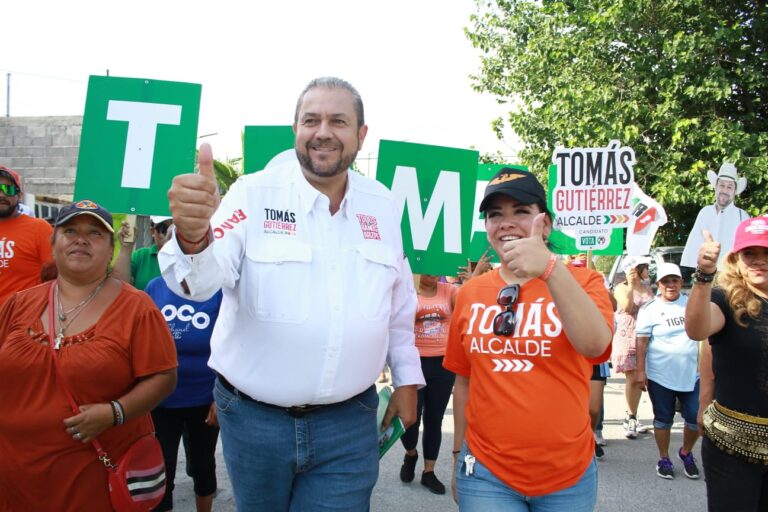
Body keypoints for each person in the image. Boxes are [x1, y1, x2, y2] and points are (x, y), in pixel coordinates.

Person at [159, 76, 424, 510]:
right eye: (311, 120)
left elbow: (396, 304)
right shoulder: (252, 193)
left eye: (338, 121)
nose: (323, 131)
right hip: (254, 420)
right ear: (296, 130)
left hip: (350, 422)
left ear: (361, 135)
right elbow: (200, 283)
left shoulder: (383, 205)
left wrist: (408, 379)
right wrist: (193, 237)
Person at [444, 167, 614, 511]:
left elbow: (596, 347)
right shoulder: (470, 294)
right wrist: (457, 455)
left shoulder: (584, 281)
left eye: (520, 211)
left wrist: (549, 270)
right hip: (486, 473)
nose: (506, 222)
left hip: (567, 475)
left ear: (545, 224)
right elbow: (464, 382)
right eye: (495, 215)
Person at [0, 199, 177, 511]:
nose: (81, 239)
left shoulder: (137, 308)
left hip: (93, 476)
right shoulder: (19, 303)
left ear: (111, 250)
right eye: (70, 231)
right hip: (15, 474)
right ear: (53, 244)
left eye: (95, 233)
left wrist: (115, 412)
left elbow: (163, 376)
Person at [685, 217, 768, 511]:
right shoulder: (726, 297)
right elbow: (697, 330)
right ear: (737, 259)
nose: (759, 261)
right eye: (750, 254)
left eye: (766, 253)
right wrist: (704, 276)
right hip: (732, 447)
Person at [144, 276, 222, 512]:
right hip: (161, 399)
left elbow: (230, 345)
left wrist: (220, 395)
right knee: (161, 467)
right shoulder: (155, 287)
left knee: (203, 465)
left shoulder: (218, 290)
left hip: (204, 398)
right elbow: (142, 337)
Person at [635, 263, 700, 480]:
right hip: (660, 375)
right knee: (663, 419)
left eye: (675, 280)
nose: (671, 285)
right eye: (666, 281)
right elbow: (642, 342)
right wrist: (640, 371)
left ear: (681, 282)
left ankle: (686, 452)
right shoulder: (650, 309)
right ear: (658, 285)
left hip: (692, 374)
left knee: (695, 420)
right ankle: (664, 458)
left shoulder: (692, 303)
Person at [400, 274, 457, 494]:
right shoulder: (407, 291)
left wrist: (471, 280)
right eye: (428, 268)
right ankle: (411, 454)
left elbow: (470, 306)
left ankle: (428, 472)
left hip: (443, 364)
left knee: (434, 418)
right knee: (410, 418)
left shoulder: (449, 291)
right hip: (413, 362)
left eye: (437, 269)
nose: (432, 274)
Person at [611, 255, 654, 438]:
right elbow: (627, 307)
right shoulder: (621, 288)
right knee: (633, 377)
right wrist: (629, 284)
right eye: (645, 267)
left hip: (647, 336)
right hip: (629, 335)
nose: (648, 271)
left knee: (642, 378)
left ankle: (635, 415)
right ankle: (630, 417)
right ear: (636, 269)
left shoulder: (647, 288)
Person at [0, 165, 54, 305]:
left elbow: (55, 278)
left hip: (22, 321)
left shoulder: (39, 229)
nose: (2, 194)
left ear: (20, 195)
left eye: (8, 189)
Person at [681, 162, 749, 269]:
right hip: (704, 275)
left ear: (735, 191)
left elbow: (747, 249)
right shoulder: (705, 212)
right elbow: (693, 245)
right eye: (722, 185)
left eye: (729, 187)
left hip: (730, 276)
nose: (724, 190)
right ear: (716, 187)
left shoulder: (742, 216)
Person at [113, 215, 174, 291]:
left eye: (175, 228)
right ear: (152, 231)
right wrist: (126, 247)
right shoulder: (141, 256)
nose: (170, 233)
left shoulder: (190, 257)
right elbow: (118, 286)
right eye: (163, 228)